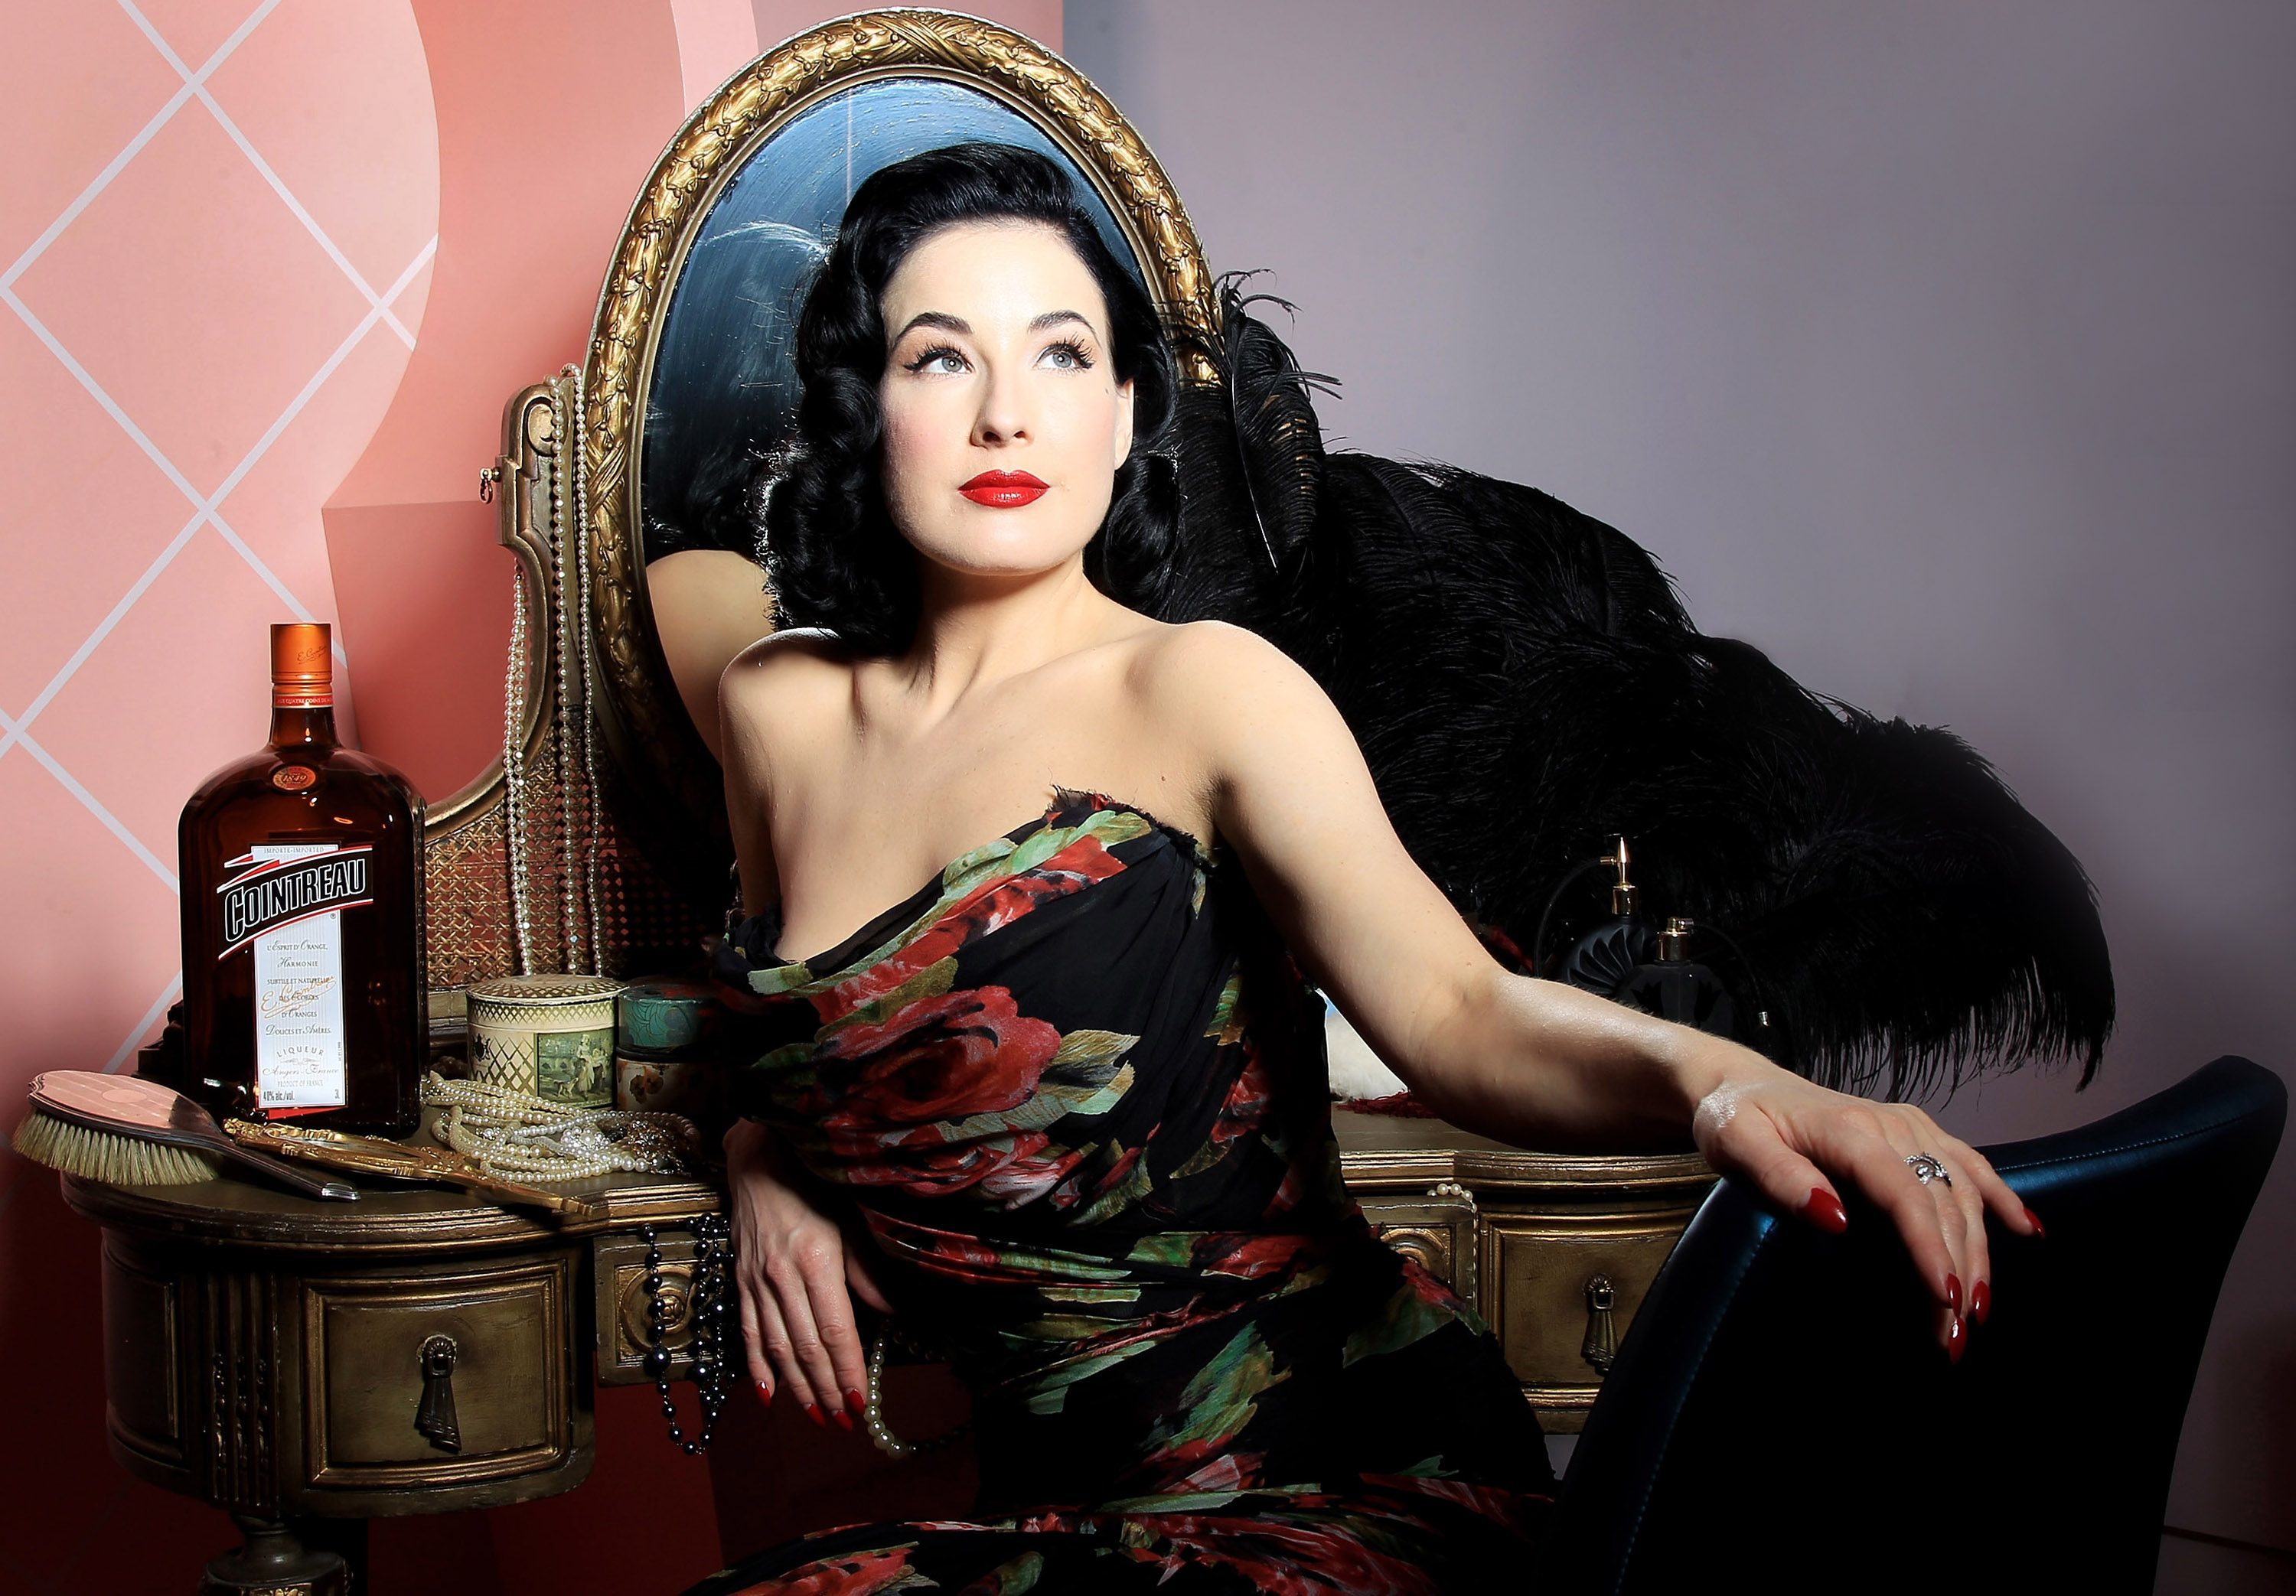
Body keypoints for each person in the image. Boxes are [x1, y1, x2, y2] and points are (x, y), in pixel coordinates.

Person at [689, 143, 2037, 1594]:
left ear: (1125, 409)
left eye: (1062, 353)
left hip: (1335, 1474)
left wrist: (1728, 1080)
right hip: (1055, 1519)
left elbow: (1458, 1008)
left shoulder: (1205, 690)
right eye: (942, 357)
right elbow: (787, 1032)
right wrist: (763, 1153)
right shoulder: (776, 715)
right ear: (865, 406)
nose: (1006, 411)